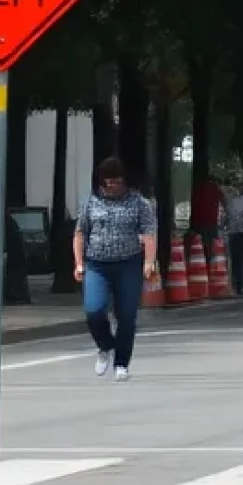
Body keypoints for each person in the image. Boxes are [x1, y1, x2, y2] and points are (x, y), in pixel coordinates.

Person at [72, 157, 158, 381]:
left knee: (127, 316)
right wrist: (79, 262)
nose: (111, 186)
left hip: (128, 264)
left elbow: (149, 233)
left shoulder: (139, 203)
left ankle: (121, 363)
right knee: (94, 310)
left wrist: (149, 262)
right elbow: (81, 232)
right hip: (97, 264)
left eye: (116, 182)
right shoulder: (91, 202)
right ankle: (105, 345)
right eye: (107, 182)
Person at [223, 176, 243, 296]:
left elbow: (226, 218)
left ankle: (236, 284)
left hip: (232, 233)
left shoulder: (231, 201)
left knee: (235, 260)